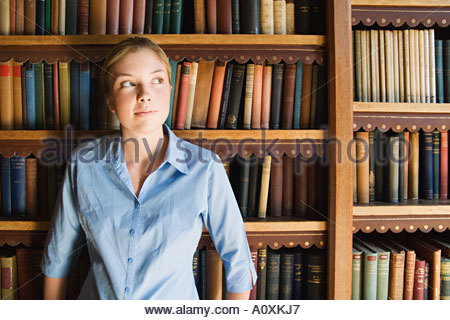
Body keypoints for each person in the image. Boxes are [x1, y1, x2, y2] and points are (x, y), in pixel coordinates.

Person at [41, 37, 257, 299]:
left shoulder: (205, 170)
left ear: (170, 89)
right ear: (110, 100)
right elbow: (58, 258)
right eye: (128, 83)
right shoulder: (83, 164)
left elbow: (239, 264)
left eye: (156, 81)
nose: (144, 95)